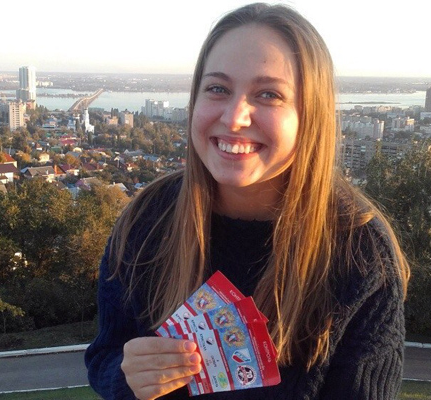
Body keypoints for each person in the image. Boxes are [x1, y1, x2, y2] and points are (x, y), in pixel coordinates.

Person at [84, 3, 410, 399]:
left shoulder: (359, 252)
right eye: (218, 89)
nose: (235, 117)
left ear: (310, 116)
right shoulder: (147, 219)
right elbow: (105, 355)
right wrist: (126, 378)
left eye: (269, 94)